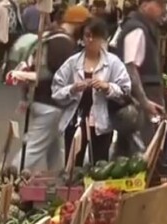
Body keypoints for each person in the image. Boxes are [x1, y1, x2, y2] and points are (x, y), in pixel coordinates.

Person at [13, 5, 90, 173]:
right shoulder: (63, 43)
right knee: (35, 147)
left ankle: (56, 179)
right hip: (50, 103)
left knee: (53, 148)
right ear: (79, 24)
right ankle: (9, 177)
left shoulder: (50, 36)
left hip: (40, 99)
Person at [52, 18, 131, 166]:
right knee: (72, 166)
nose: (90, 40)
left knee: (100, 165)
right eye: (87, 35)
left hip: (101, 122)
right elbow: (56, 90)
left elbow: (125, 89)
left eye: (94, 36)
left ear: (102, 39)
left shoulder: (113, 62)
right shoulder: (72, 62)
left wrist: (107, 87)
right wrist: (73, 88)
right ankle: (74, 188)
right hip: (75, 121)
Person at [115, 0, 165, 151]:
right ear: (145, 4)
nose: (162, 10)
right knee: (145, 147)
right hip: (143, 96)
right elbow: (130, 67)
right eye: (159, 5)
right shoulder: (136, 29)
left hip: (145, 94)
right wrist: (144, 102)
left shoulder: (143, 28)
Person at [0, 0, 22, 83]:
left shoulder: (15, 5)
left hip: (13, 34)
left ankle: (5, 76)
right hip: (2, 34)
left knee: (10, 57)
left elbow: (18, 17)